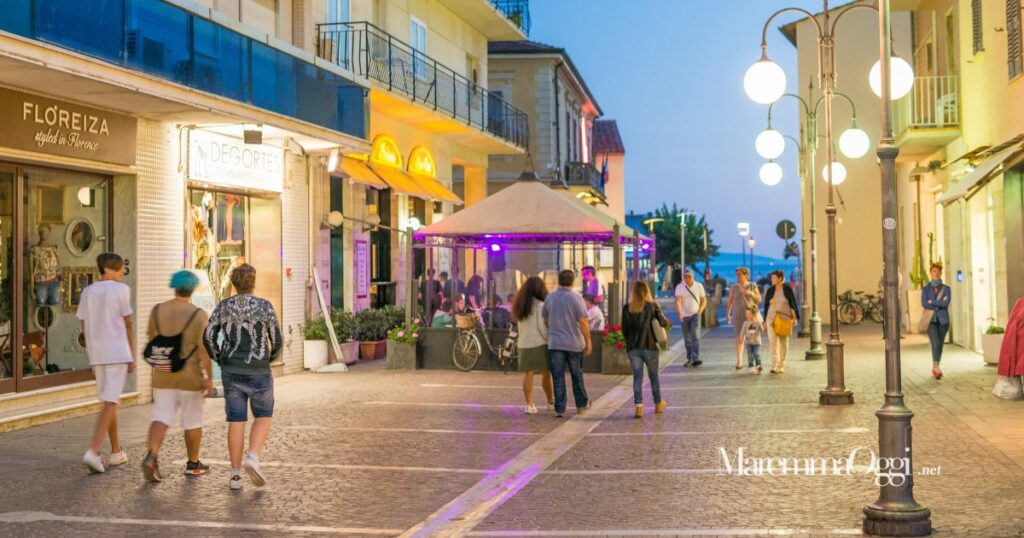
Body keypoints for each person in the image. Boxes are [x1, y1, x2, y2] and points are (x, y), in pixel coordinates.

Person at [204, 264, 282, 490]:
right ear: (253, 282)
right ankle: (253, 457)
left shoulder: (223, 306)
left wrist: (219, 358)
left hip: (231, 370)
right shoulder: (264, 307)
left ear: (234, 284)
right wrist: (269, 359)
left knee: (236, 420)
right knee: (263, 415)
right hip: (259, 370)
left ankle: (235, 475)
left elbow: (208, 336)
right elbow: (275, 339)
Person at [142, 270, 214, 482]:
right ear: (192, 289)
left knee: (161, 416)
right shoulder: (198, 315)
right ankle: (193, 463)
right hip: (189, 376)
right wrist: (208, 378)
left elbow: (152, 341)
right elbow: (204, 350)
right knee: (192, 420)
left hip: (163, 375)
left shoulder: (157, 311)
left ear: (174, 287)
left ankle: (152, 455)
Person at [79, 253, 133, 474]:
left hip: (97, 354)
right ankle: (93, 451)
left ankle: (116, 451)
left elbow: (84, 325)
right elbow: (127, 323)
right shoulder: (121, 290)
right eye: (120, 268)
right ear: (109, 269)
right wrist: (130, 355)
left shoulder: (87, 291)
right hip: (117, 352)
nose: (122, 272)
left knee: (110, 401)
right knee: (110, 404)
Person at [543, 270, 592, 417]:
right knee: (576, 375)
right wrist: (588, 342)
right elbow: (583, 322)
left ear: (559, 281)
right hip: (573, 343)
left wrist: (555, 327)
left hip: (555, 343)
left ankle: (559, 408)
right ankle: (581, 405)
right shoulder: (576, 298)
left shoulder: (550, 298)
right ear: (572, 281)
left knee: (558, 376)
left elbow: (545, 319)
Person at [621, 281, 671, 418]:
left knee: (637, 377)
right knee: (653, 376)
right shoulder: (652, 306)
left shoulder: (627, 308)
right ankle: (658, 403)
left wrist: (629, 341)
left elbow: (624, 329)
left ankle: (639, 407)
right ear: (646, 291)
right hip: (649, 346)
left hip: (633, 348)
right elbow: (664, 322)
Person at [513, 276, 554, 414]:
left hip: (524, 344)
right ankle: (550, 401)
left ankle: (529, 404)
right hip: (540, 344)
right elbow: (542, 327)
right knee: (546, 374)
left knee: (528, 374)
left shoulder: (520, 306)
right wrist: (549, 339)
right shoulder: (541, 306)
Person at [762, 270, 799, 374]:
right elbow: (766, 306)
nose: (771, 279)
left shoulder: (787, 289)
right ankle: (774, 365)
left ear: (780, 278)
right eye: (771, 277)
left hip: (784, 319)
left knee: (783, 342)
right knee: (772, 342)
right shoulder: (770, 290)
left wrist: (794, 318)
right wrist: (765, 320)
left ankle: (781, 364)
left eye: (773, 277)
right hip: (771, 319)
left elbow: (792, 304)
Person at [726, 267, 762, 370]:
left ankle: (752, 361)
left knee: (751, 340)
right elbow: (730, 302)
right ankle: (740, 361)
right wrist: (728, 314)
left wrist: (751, 294)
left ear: (746, 275)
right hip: (737, 315)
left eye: (740, 274)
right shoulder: (734, 287)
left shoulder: (752, 286)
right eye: (737, 274)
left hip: (750, 316)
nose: (738, 276)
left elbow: (759, 299)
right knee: (739, 338)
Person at [922, 262, 951, 379]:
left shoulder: (946, 289)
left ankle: (936, 364)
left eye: (938, 271)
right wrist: (939, 303)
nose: (936, 273)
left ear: (941, 273)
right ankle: (936, 366)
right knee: (935, 342)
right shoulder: (926, 289)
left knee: (940, 343)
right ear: (931, 273)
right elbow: (924, 303)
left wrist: (932, 302)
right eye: (934, 271)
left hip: (944, 320)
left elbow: (946, 303)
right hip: (931, 320)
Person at [674, 268, 707, 367]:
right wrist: (679, 313)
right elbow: (678, 301)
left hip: (695, 314)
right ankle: (689, 358)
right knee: (687, 338)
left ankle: (695, 358)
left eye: (689, 277)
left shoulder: (699, 286)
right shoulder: (680, 287)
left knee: (695, 336)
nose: (687, 279)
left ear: (693, 277)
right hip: (684, 316)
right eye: (685, 277)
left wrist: (700, 311)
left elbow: (704, 300)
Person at [741, 306, 764, 374]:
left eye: (749, 314)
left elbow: (762, 330)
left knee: (756, 353)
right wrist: (741, 337)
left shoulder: (758, 323)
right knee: (750, 355)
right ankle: (751, 366)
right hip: (748, 342)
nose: (747, 315)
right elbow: (742, 331)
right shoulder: (745, 323)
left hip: (757, 342)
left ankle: (758, 365)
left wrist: (764, 326)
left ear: (753, 314)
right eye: (746, 314)